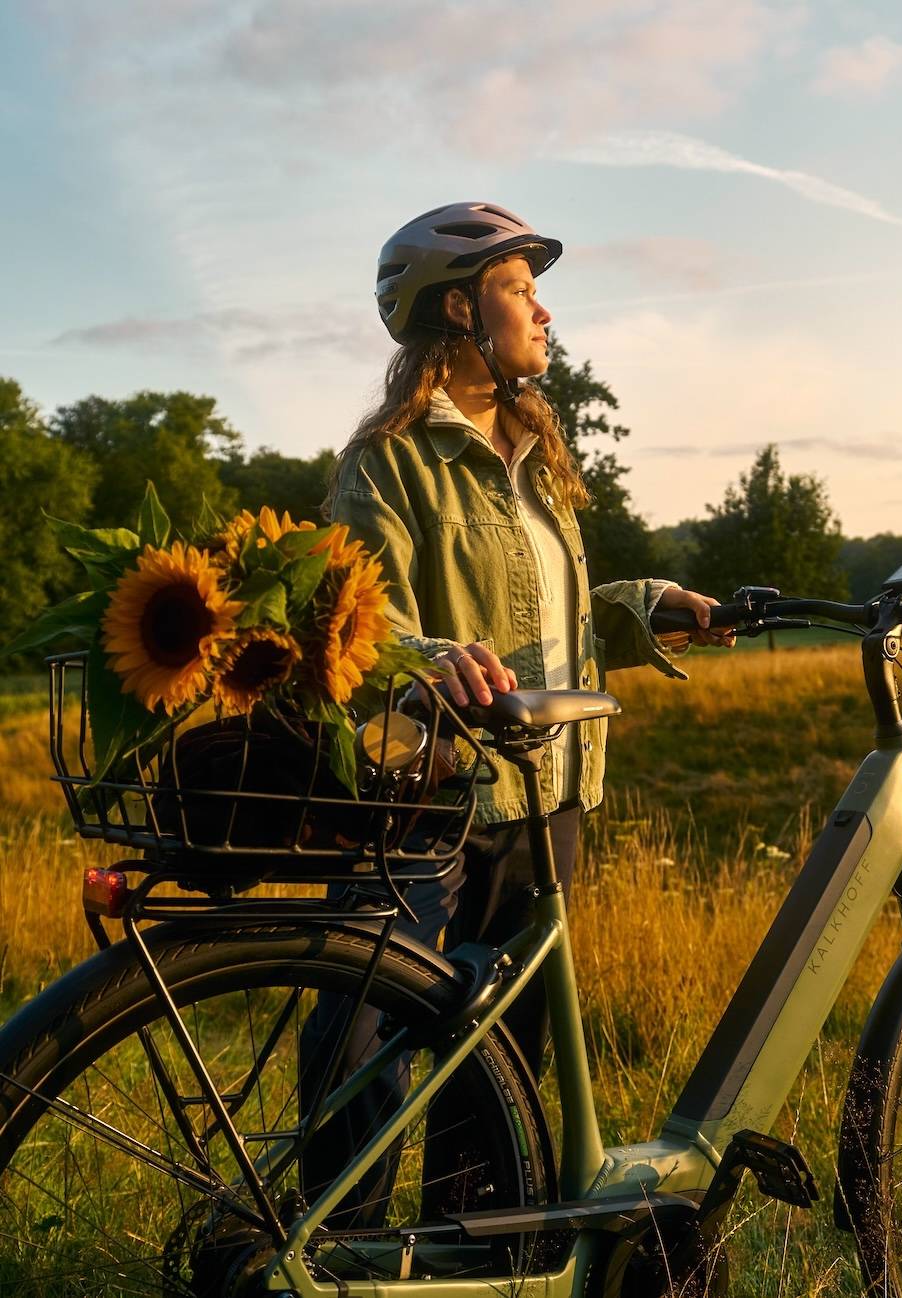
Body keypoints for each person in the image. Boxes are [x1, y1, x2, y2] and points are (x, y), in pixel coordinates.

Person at [300, 201, 732, 1215]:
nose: (543, 311)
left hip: (547, 801)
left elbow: (548, 611)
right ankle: (326, 1249)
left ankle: (475, 1254)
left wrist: (640, 606)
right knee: (367, 1051)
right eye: (519, 289)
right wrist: (429, 658)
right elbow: (356, 618)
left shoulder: (536, 455)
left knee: (501, 1061)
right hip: (430, 799)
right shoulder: (388, 464)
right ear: (458, 308)